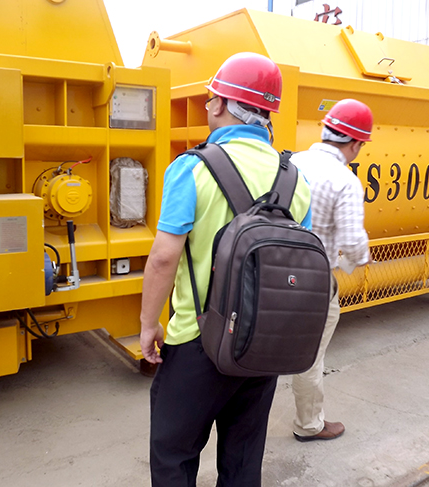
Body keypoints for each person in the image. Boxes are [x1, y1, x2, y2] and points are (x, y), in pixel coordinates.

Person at [140, 52, 312, 487]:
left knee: (174, 454)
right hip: (263, 345)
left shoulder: (192, 168)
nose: (205, 106)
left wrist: (147, 325)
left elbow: (164, 257)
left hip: (199, 341)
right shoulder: (294, 179)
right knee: (242, 460)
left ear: (220, 104)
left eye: (209, 97)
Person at [290, 98, 372, 442]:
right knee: (309, 355)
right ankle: (308, 425)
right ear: (354, 143)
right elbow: (353, 243)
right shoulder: (344, 180)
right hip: (313, 281)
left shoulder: (290, 162)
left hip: (271, 272)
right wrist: (359, 261)